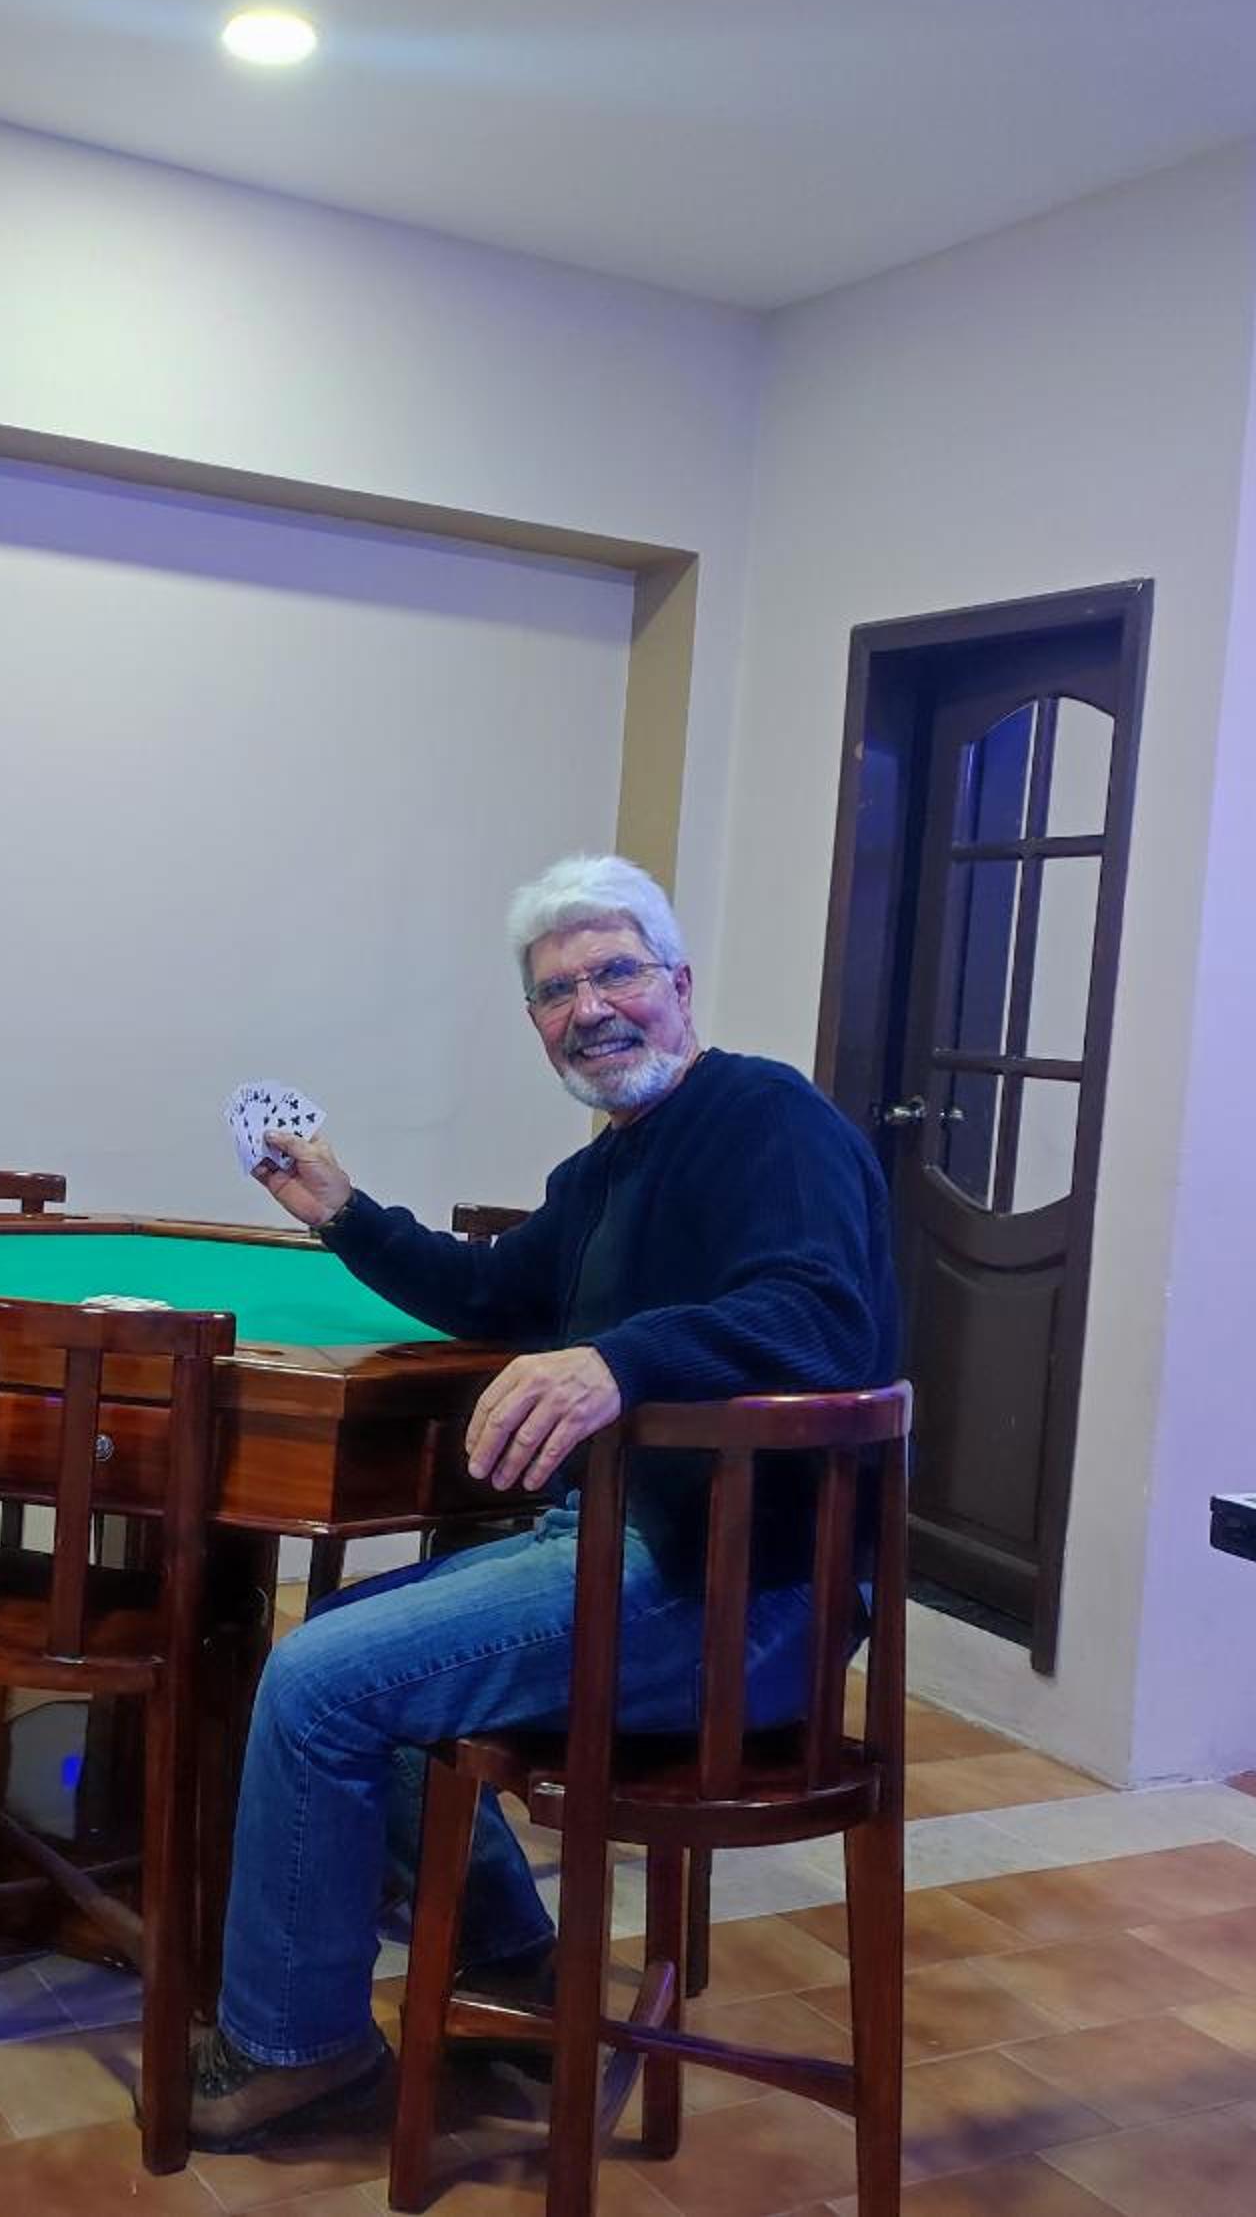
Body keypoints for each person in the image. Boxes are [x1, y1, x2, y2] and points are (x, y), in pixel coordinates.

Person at [188, 852, 900, 2148]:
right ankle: (514, 1958)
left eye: (616, 972)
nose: (591, 1008)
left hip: (743, 1593)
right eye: (558, 992)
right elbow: (490, 1291)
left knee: (317, 1682)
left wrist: (618, 1360)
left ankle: (296, 2047)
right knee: (340, 1658)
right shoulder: (606, 1168)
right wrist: (344, 1212)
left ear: (680, 984)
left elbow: (821, 1312)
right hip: (627, 1549)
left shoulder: (769, 1119)